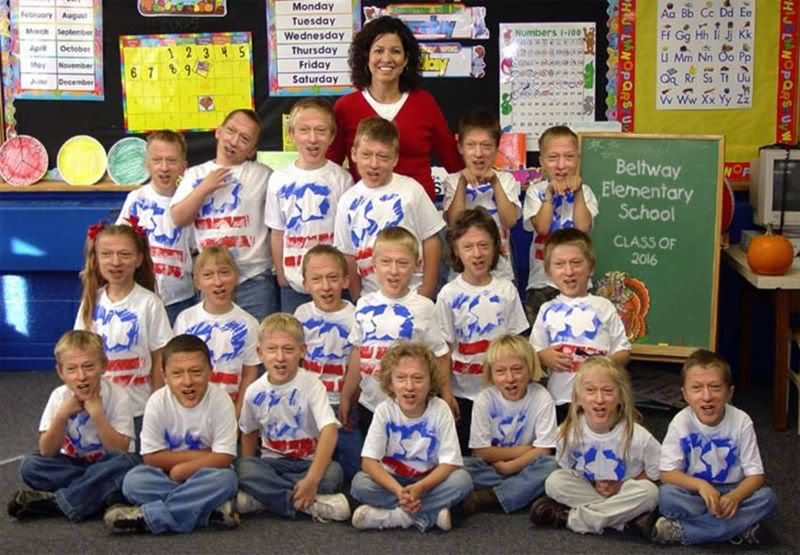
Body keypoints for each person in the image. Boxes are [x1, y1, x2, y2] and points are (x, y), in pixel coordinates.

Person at [104, 335, 239, 534]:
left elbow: (224, 457)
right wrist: (199, 459)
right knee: (133, 481)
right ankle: (207, 511)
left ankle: (149, 516)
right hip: (165, 475)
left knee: (227, 481)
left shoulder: (221, 400)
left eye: (196, 372)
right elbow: (151, 457)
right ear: (164, 375)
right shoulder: (157, 401)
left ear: (210, 371)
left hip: (207, 474)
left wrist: (183, 469)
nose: (187, 381)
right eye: (177, 373)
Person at [327, 15, 462, 201]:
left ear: (406, 59)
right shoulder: (345, 107)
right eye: (379, 51)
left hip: (417, 215)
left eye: (396, 51)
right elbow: (329, 167)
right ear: (366, 56)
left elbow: (453, 162)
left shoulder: (424, 103)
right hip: (365, 215)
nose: (386, 58)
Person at [8, 330, 138, 522]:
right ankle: (104, 493)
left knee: (127, 464)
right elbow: (47, 451)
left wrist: (97, 414)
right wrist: (61, 415)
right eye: (72, 369)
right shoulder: (59, 396)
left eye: (88, 367)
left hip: (111, 463)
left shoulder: (119, 395)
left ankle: (57, 504)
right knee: (30, 465)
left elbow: (120, 449)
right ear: (60, 372)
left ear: (104, 366)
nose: (81, 376)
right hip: (75, 466)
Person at [339, 227, 454, 441]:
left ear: (417, 265)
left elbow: (441, 355)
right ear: (374, 265)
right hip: (370, 405)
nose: (394, 271)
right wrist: (347, 395)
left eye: (402, 263)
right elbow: (358, 352)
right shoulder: (364, 304)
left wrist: (446, 394)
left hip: (412, 407)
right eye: (386, 262)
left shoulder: (424, 307)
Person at [653, 349, 778, 545]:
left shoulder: (742, 421)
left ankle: (683, 531)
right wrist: (701, 485)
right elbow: (667, 474)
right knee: (666, 496)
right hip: (696, 494)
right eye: (696, 388)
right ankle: (741, 528)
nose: (707, 396)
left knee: (768, 499)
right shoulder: (680, 422)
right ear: (684, 394)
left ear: (730, 393)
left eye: (715, 387)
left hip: (733, 490)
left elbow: (756, 476)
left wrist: (735, 497)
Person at [235, 313, 351, 523]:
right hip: (272, 465)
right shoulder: (254, 391)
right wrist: (249, 468)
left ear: (303, 351)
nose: (280, 357)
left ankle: (264, 499)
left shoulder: (313, 385)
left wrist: (312, 479)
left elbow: (329, 431)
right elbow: (249, 432)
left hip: (308, 464)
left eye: (288, 349)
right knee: (243, 469)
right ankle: (308, 504)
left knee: (334, 473)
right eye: (272, 349)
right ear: (260, 353)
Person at [350, 341, 473, 532]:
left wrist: (421, 488)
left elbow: (451, 462)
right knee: (359, 484)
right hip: (393, 482)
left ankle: (397, 517)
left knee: (462, 481)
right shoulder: (384, 410)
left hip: (429, 482)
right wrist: (398, 491)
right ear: (390, 382)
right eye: (401, 378)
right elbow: (368, 462)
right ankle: (429, 514)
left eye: (418, 378)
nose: (409, 386)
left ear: (431, 381)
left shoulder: (440, 409)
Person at [532, 357, 661, 536]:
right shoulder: (567, 433)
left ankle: (571, 519)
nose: (599, 399)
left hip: (624, 491)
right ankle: (625, 521)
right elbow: (568, 469)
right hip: (590, 491)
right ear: (578, 398)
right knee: (555, 482)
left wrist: (619, 486)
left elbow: (656, 473)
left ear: (621, 397)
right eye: (590, 391)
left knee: (650, 493)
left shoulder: (639, 437)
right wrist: (592, 484)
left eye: (608, 391)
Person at [435, 208, 529, 451]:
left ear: (497, 247)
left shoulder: (506, 290)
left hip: (501, 392)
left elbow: (517, 343)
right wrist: (446, 393)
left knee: (498, 450)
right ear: (456, 250)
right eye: (468, 247)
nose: (477, 254)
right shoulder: (448, 294)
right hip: (463, 394)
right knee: (467, 455)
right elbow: (443, 348)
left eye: (484, 245)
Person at [170, 109, 276, 322]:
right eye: (231, 131)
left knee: (258, 344)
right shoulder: (196, 174)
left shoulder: (263, 175)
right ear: (218, 131)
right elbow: (179, 218)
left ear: (252, 150)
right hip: (211, 278)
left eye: (244, 139)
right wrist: (203, 188)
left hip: (253, 279)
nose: (234, 141)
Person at [74, 222, 173, 430]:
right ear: (96, 258)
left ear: (138, 259)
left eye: (125, 254)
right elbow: (79, 355)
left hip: (139, 409)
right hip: (100, 407)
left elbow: (159, 361)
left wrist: (157, 407)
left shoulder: (149, 303)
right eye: (107, 254)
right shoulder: (92, 301)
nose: (115, 262)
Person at [333, 117, 445, 300]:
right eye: (366, 155)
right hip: (371, 296)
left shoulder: (411, 190)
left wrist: (428, 290)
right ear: (354, 154)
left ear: (395, 159)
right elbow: (347, 255)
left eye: (383, 156)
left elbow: (431, 239)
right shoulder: (347, 200)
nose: (374, 164)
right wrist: (357, 297)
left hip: (414, 293)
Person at [529, 229, 630, 420]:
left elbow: (623, 351)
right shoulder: (546, 310)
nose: (569, 271)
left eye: (576, 263)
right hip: (560, 400)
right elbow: (533, 353)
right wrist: (543, 357)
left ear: (590, 267)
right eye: (559, 264)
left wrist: (602, 366)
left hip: (600, 403)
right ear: (549, 272)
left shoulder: (603, 306)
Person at [266, 98, 353, 313]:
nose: (312, 139)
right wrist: (282, 276)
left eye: (321, 130)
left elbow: (346, 235)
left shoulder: (341, 178)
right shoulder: (278, 179)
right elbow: (277, 232)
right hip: (294, 282)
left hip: (333, 283)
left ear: (332, 136)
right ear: (291, 134)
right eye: (304, 130)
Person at [462, 335, 559, 515]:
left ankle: (491, 497)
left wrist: (511, 466)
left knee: (553, 466)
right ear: (491, 373)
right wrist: (523, 450)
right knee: (459, 468)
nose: (510, 378)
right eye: (501, 371)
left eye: (517, 369)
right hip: (491, 468)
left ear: (529, 369)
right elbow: (481, 451)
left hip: (528, 466)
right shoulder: (484, 399)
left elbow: (545, 450)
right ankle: (522, 491)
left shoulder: (542, 397)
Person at [293, 245, 362, 483]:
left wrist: (348, 397)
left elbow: (360, 365)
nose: (325, 286)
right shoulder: (301, 314)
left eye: (333, 278)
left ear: (345, 280)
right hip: (309, 407)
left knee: (355, 471)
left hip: (344, 406)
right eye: (317, 279)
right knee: (308, 466)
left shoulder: (356, 316)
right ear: (306, 284)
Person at [116, 130, 195, 326]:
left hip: (181, 299)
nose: (164, 168)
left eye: (171, 160)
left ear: (184, 167)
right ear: (147, 164)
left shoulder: (191, 202)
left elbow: (197, 249)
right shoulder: (136, 199)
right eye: (157, 160)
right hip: (141, 297)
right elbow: (120, 242)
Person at [523, 126, 599, 324]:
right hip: (542, 282)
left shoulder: (587, 192)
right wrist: (549, 195)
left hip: (579, 282)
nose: (561, 165)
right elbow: (542, 228)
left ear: (578, 160)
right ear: (542, 162)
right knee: (541, 340)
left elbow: (582, 228)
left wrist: (578, 193)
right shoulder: (535, 192)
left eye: (569, 157)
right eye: (553, 158)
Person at [173, 246, 260, 419]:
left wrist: (238, 412)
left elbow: (250, 372)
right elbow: (175, 366)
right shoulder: (185, 319)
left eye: (224, 272)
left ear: (236, 277)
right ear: (197, 282)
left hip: (229, 410)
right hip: (191, 412)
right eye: (208, 275)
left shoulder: (249, 323)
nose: (218, 282)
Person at [443, 109, 521, 283]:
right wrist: (462, 184)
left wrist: (495, 184)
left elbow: (510, 221)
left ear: (497, 147)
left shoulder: (505, 180)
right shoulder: (453, 180)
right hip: (461, 273)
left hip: (501, 272)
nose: (479, 153)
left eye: (486, 146)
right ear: (460, 147)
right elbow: (454, 222)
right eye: (471, 145)